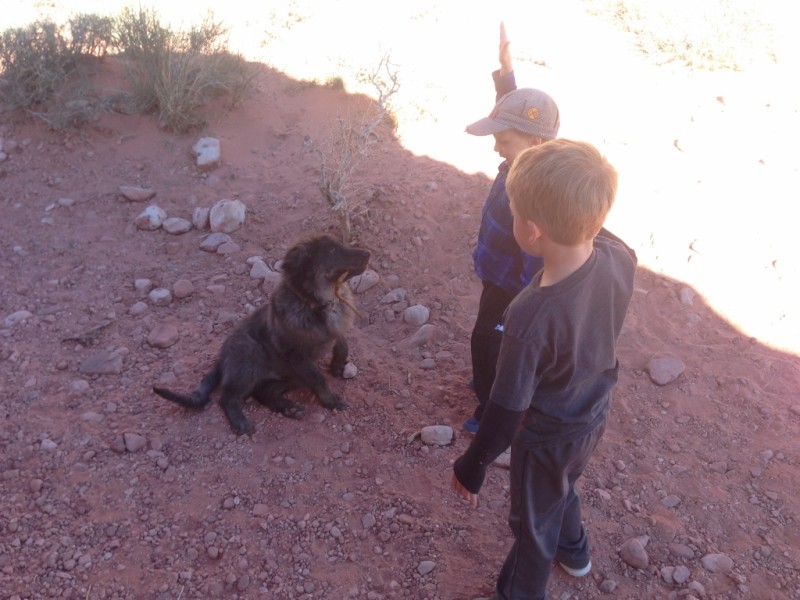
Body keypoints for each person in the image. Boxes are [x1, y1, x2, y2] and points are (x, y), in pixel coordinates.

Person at [451, 139, 637, 600]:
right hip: (593, 412)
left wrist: (471, 465)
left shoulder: (529, 314)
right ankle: (574, 551)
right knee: (561, 484)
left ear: (531, 232)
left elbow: (505, 410)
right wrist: (572, 182)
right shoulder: (619, 257)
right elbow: (593, 225)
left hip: (547, 434)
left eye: (513, 211)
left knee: (531, 525)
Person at [465, 22, 560, 434]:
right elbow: (512, 111)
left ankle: (491, 410)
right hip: (496, 276)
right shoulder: (523, 158)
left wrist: (524, 302)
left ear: (534, 144)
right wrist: (506, 73)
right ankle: (488, 386)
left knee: (493, 347)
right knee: (486, 343)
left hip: (514, 289)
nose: (496, 147)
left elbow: (540, 255)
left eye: (504, 141)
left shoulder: (535, 193)